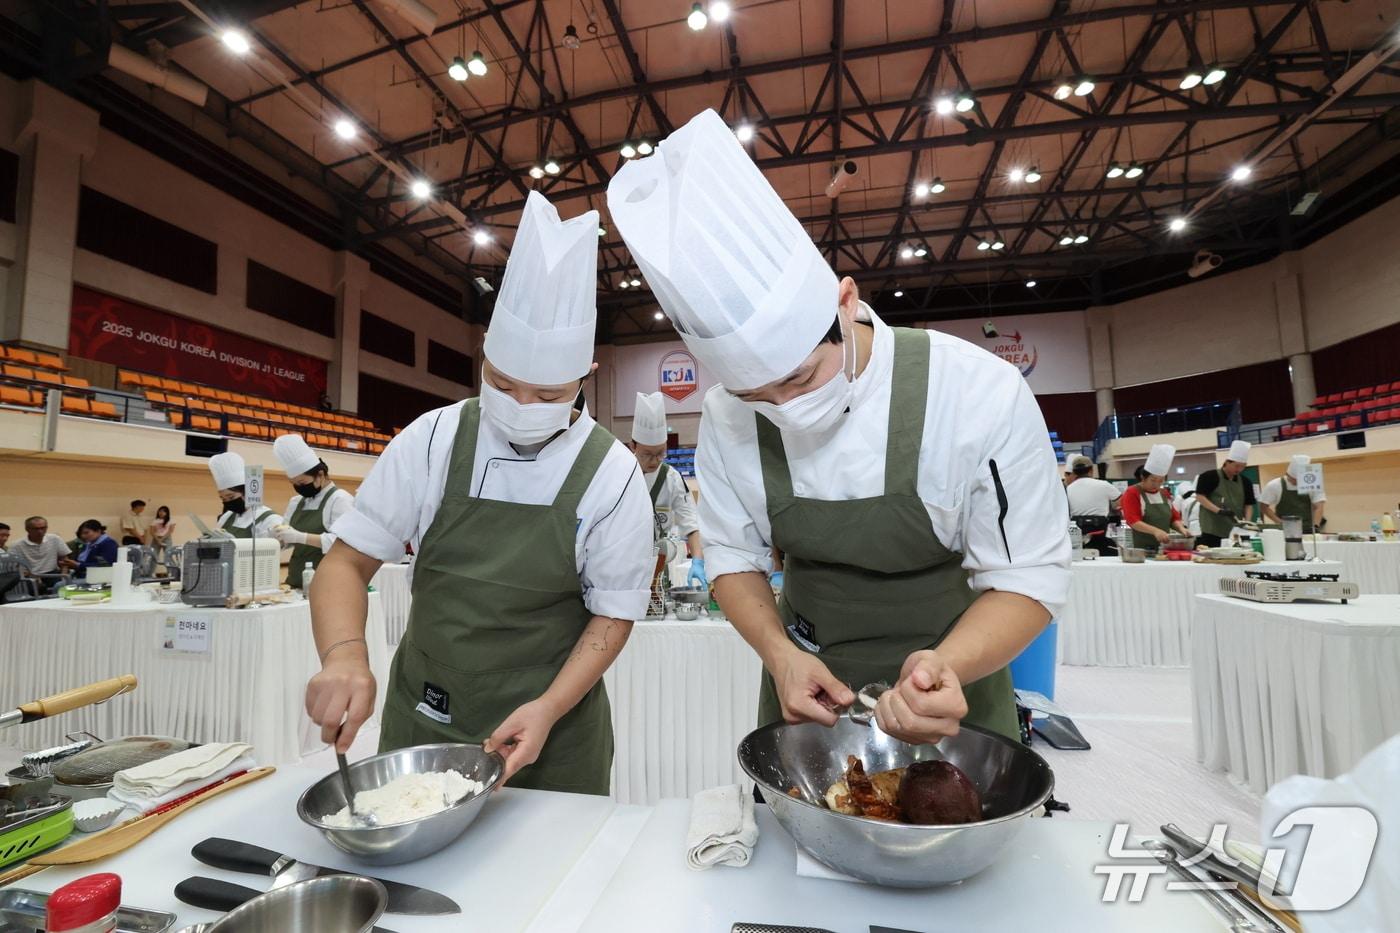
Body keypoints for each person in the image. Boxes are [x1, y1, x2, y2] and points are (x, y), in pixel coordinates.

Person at [607, 109, 1070, 745]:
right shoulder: (725, 412)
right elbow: (735, 559)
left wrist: (950, 666)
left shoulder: (974, 392)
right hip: (806, 697)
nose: (783, 406)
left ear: (845, 302)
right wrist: (778, 654)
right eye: (753, 393)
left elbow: (1028, 578)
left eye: (799, 379)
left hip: (953, 698)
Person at [303, 192, 652, 795]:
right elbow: (345, 562)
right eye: (502, 383)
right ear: (485, 350)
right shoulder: (431, 439)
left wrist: (549, 707)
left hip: (553, 729)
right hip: (426, 714)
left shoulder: (612, 473)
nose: (520, 407)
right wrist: (344, 656)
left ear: (585, 373)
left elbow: (612, 615)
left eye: (546, 396)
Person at [629, 391, 705, 587]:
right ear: (633, 446)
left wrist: (697, 560)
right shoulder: (618, 474)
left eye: (660, 453)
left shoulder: (671, 478)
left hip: (661, 558)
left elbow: (691, 523)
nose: (654, 460)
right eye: (647, 454)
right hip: (624, 557)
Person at [272, 434, 355, 589]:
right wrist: (280, 538)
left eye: (302, 482)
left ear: (320, 475)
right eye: (294, 484)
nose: (299, 487)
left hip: (328, 583)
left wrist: (300, 537)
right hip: (296, 580)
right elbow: (287, 539)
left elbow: (343, 544)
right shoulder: (296, 502)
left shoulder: (340, 499)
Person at [1119, 445, 1190, 548]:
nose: (1157, 485)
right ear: (1143, 477)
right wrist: (1155, 531)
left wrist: (1181, 528)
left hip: (1165, 547)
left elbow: (1173, 517)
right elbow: (1133, 521)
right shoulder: (1132, 492)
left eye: (1161, 481)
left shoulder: (1164, 493)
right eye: (1153, 480)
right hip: (1142, 548)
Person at [1194, 440, 1257, 546]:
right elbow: (1200, 497)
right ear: (1227, 462)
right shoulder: (1210, 476)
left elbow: (1248, 504)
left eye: (1242, 466)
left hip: (1234, 530)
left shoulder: (1246, 482)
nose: (1239, 469)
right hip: (1212, 528)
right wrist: (1219, 511)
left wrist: (1247, 522)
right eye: (1236, 466)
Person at [208, 452, 283, 538]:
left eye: (231, 497)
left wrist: (236, 544)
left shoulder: (269, 519)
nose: (228, 502)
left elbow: (271, 548)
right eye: (223, 499)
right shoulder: (227, 516)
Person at [1260, 454, 1325, 532]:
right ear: (1288, 474)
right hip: (1285, 530)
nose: (1298, 482)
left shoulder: (1312, 484)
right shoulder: (1275, 485)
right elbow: (1263, 506)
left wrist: (1315, 526)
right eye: (1295, 479)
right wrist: (1279, 522)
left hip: (1308, 529)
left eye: (1300, 480)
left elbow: (1319, 507)